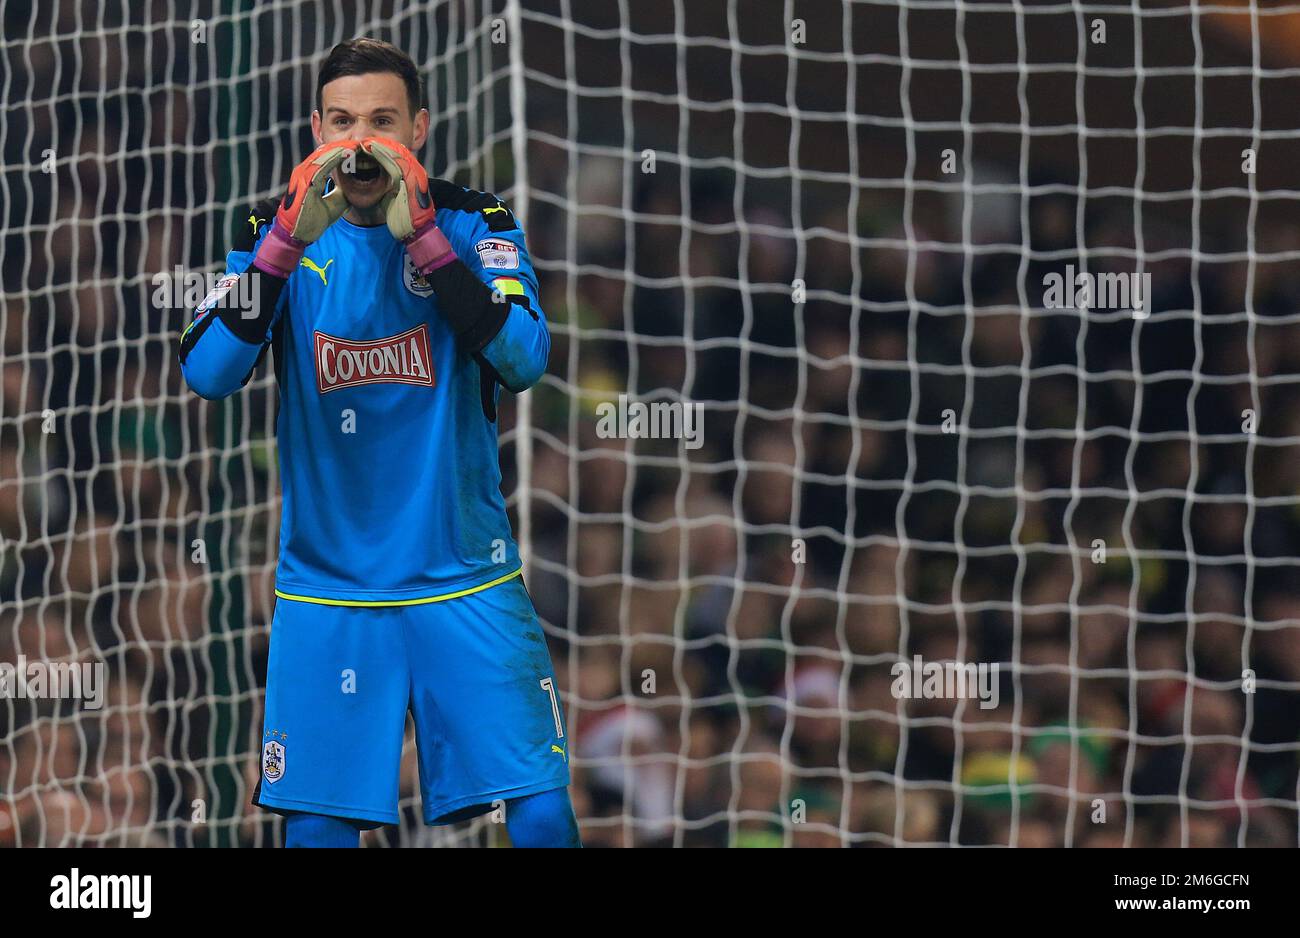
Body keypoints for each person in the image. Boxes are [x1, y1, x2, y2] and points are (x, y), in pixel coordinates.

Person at [178, 37, 579, 848]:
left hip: (464, 576)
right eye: (342, 121)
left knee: (538, 806)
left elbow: (526, 358)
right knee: (318, 825)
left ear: (420, 127)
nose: (360, 142)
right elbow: (209, 371)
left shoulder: (476, 221)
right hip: (328, 589)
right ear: (316, 130)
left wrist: (426, 240)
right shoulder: (269, 235)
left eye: (382, 121)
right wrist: (286, 243)